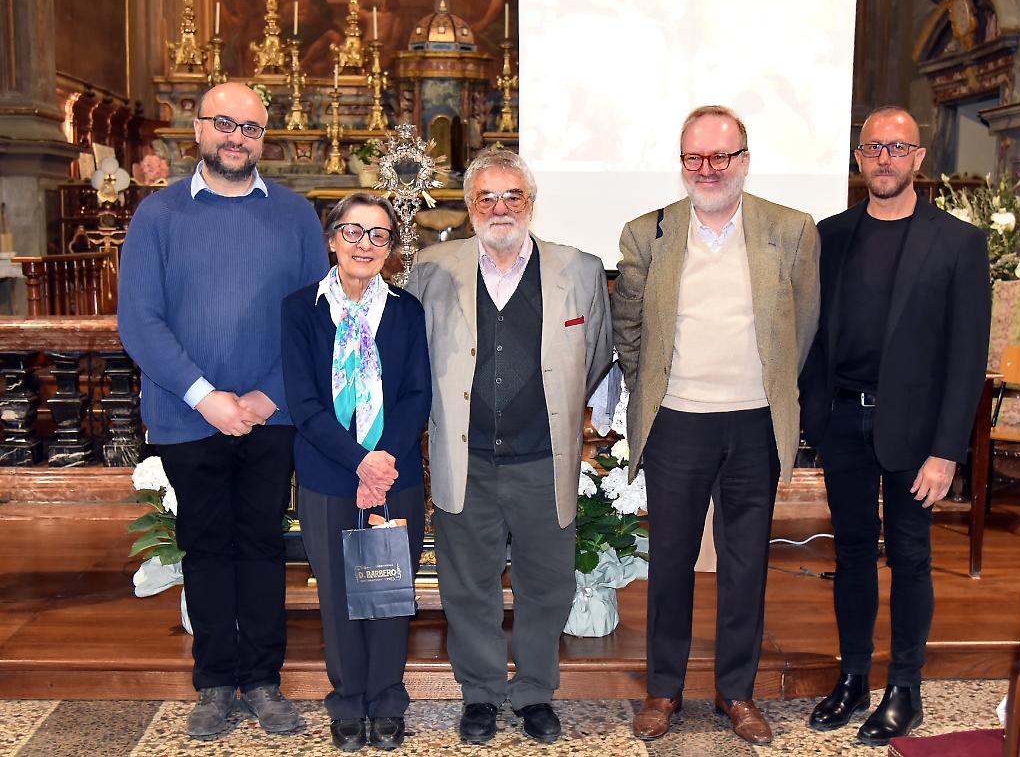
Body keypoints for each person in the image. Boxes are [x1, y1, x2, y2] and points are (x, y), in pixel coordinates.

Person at [118, 82, 329, 739]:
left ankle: (263, 680)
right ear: (199, 129)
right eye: (226, 125)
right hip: (188, 417)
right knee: (205, 547)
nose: (238, 138)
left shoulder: (294, 215)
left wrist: (267, 394)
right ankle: (213, 683)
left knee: (264, 546)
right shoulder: (158, 216)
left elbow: (315, 314)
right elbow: (141, 322)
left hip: (273, 414)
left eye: (252, 128)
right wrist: (205, 396)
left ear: (265, 138)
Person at [612, 104, 821, 746]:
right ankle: (663, 690)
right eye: (694, 158)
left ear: (744, 160)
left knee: (746, 564)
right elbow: (628, 329)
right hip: (677, 422)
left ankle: (738, 691)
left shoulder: (791, 230)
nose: (708, 169)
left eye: (720, 156)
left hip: (754, 425)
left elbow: (804, 325)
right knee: (670, 561)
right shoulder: (647, 232)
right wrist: (654, 386)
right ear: (682, 165)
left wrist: (768, 388)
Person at [403, 148, 612, 745]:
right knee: (466, 586)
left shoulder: (579, 269)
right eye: (486, 197)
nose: (500, 208)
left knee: (547, 584)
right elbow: (416, 356)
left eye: (512, 196)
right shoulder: (432, 268)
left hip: (544, 461)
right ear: (469, 207)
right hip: (465, 461)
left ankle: (536, 692)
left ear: (530, 203)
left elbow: (594, 354)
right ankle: (482, 694)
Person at [799, 105, 990, 746]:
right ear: (859, 158)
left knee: (910, 558)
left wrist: (947, 451)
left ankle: (904, 687)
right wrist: (815, 421)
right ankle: (853, 677)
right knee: (851, 555)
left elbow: (967, 358)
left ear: (918, 158)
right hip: (843, 423)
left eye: (898, 148)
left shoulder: (957, 243)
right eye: (874, 148)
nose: (885, 159)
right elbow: (812, 338)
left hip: (916, 433)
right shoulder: (829, 236)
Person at [281, 193, 431, 752]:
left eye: (379, 235)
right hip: (327, 475)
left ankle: (388, 700)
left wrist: (383, 462)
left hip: (396, 477)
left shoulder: (407, 311)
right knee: (339, 597)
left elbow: (418, 392)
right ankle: (347, 703)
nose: (365, 244)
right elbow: (304, 402)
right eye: (354, 231)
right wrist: (358, 462)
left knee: (391, 592)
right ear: (332, 238)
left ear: (390, 247)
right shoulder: (300, 309)